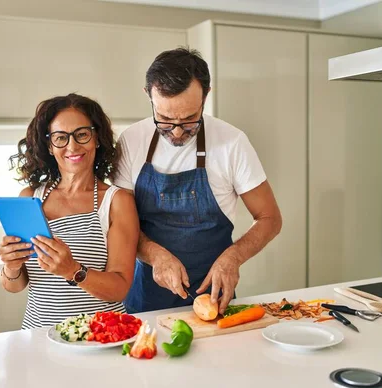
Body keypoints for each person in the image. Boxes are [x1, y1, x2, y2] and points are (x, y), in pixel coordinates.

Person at [114, 47, 282, 314]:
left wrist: (233, 258)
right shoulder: (131, 141)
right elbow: (119, 225)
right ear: (149, 95)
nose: (178, 132)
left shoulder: (232, 142)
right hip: (145, 299)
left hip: (215, 296)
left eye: (191, 119)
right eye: (166, 120)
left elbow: (270, 219)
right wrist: (155, 255)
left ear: (206, 96)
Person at [0, 94, 139, 329]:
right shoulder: (30, 197)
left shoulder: (116, 201)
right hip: (38, 338)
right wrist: (10, 266)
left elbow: (120, 288)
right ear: (50, 146)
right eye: (60, 138)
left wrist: (73, 270)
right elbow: (14, 286)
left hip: (99, 338)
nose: (72, 146)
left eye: (82, 134)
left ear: (96, 139)